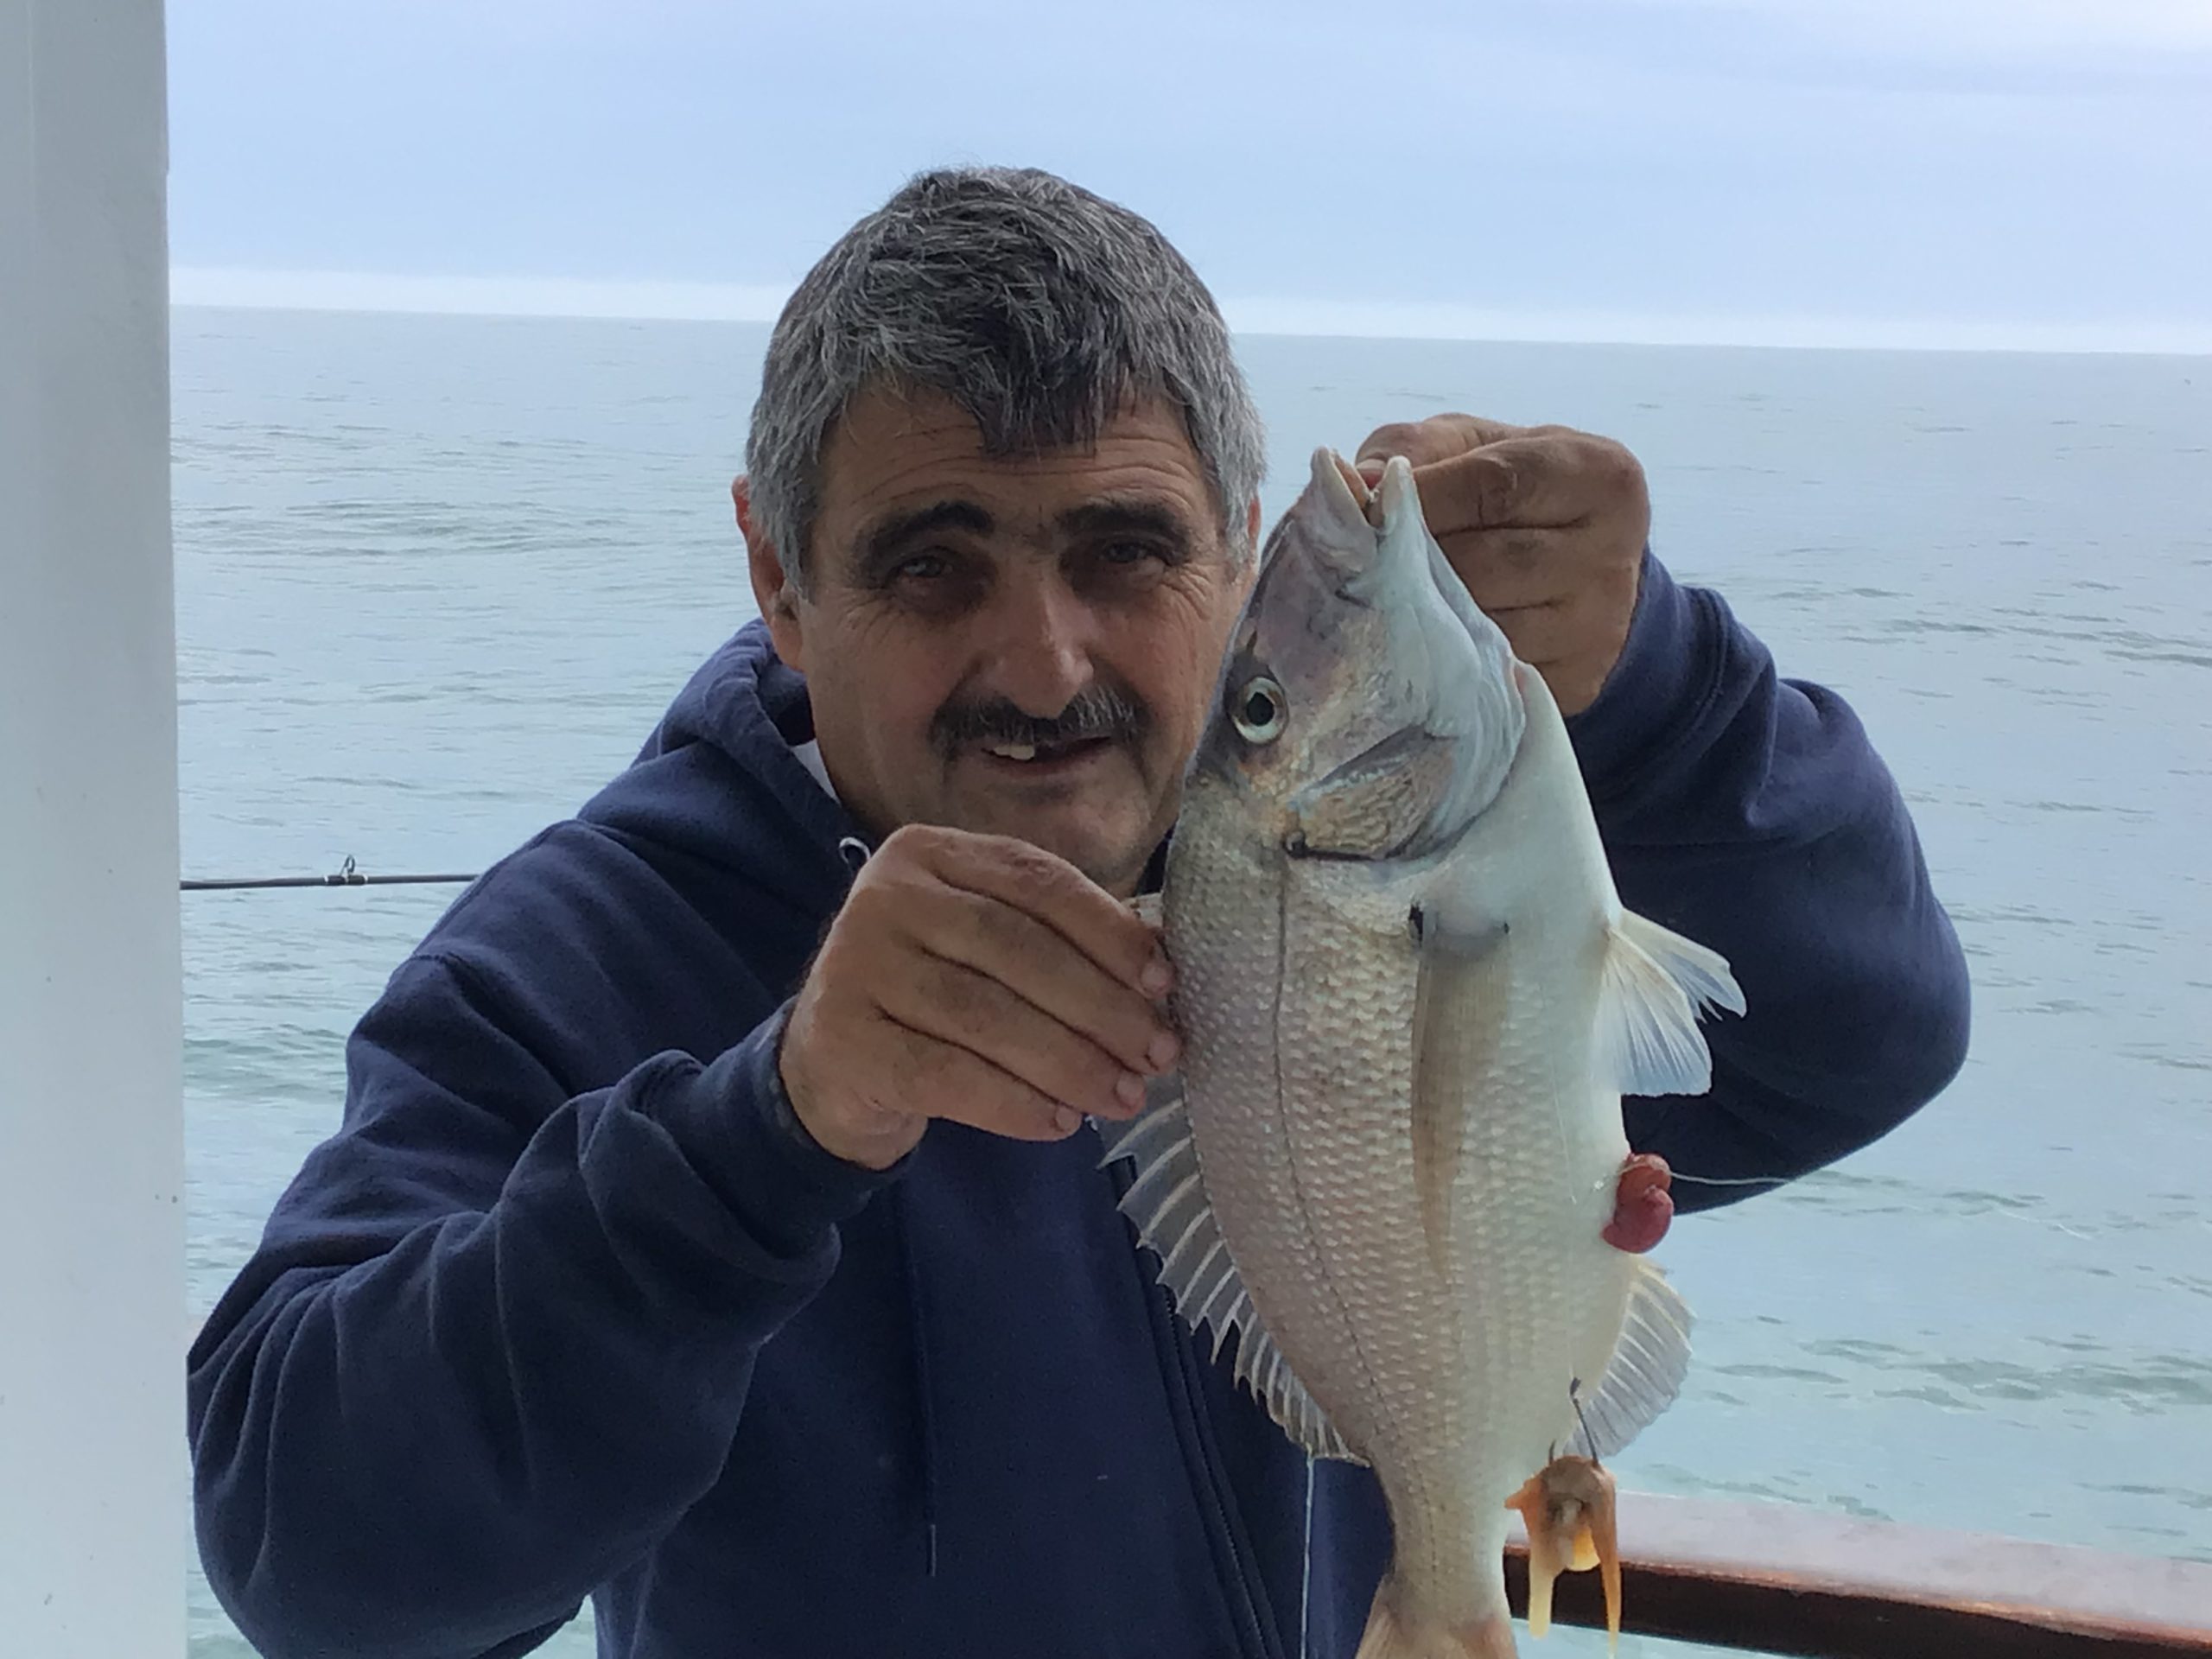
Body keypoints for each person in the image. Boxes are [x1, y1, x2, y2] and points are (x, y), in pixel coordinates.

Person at [187, 165, 1971, 1659]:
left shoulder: (1381, 889)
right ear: (776, 576)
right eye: (930, 565)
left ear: (1240, 543)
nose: (1039, 663)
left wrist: (1651, 686)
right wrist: (768, 1129)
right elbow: (311, 1558)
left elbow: (1859, 1035)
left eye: (1123, 551)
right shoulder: (586, 959)